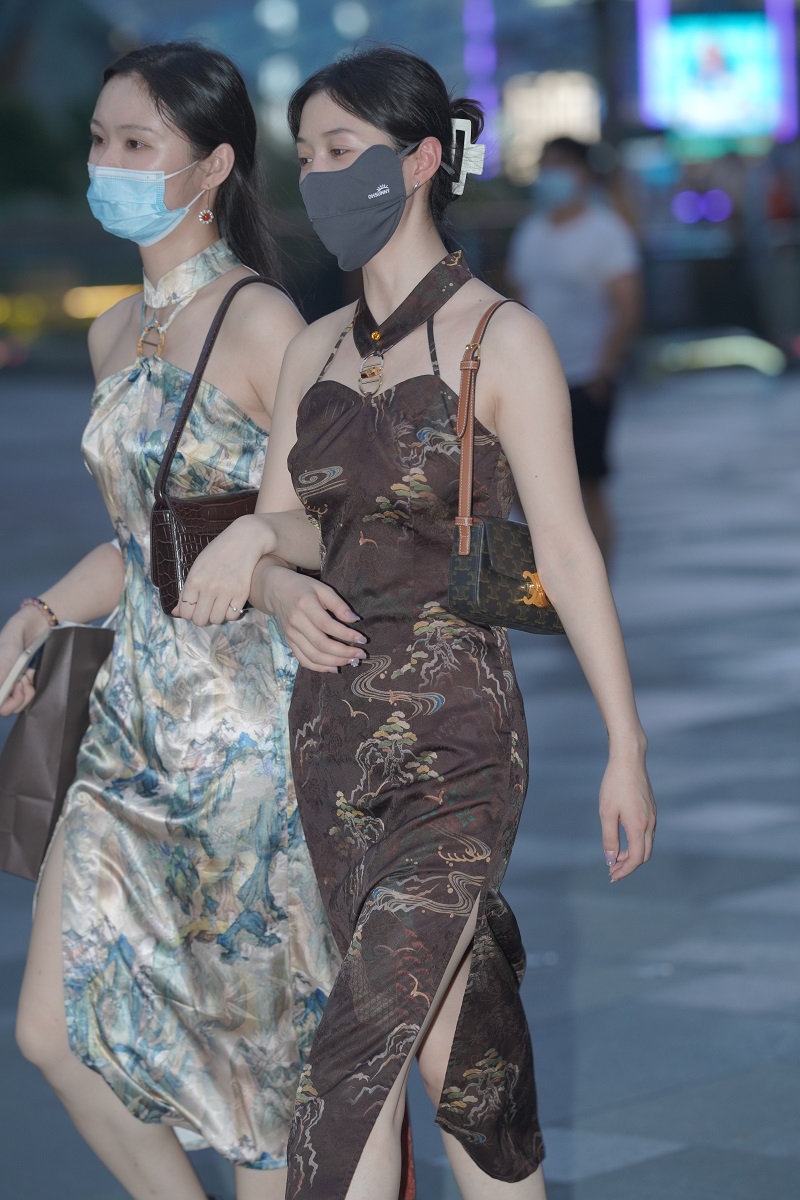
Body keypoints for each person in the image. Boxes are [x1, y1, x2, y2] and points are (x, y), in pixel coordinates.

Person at [178, 46, 656, 1200]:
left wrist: (624, 745)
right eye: (308, 156)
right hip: (327, 739)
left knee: (352, 1058)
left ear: (420, 159)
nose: (319, 176)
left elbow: (567, 555)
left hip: (455, 743)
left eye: (342, 151)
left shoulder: (501, 338)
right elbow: (292, 528)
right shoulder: (312, 345)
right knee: (458, 1048)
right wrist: (261, 562)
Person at [0, 41, 338, 1200]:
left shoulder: (260, 322)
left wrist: (261, 544)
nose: (108, 162)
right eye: (100, 140)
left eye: (137, 143)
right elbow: (142, 543)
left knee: (257, 1072)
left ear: (212, 166)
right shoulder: (112, 332)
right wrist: (39, 614)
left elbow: (324, 524)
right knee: (52, 1030)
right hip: (125, 723)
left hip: (242, 734)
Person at [505, 137, 642, 564]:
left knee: (588, 487)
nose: (550, 176)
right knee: (523, 483)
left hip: (587, 378)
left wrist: (604, 370)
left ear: (583, 173)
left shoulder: (606, 232)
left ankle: (599, 583)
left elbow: (627, 306)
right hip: (536, 381)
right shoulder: (531, 232)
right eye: (544, 166)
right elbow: (516, 300)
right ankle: (557, 573)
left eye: (560, 165)